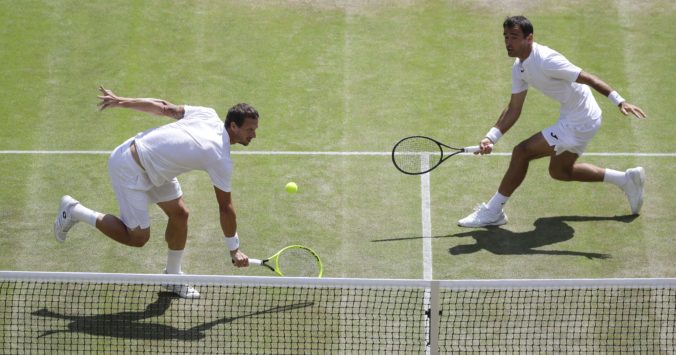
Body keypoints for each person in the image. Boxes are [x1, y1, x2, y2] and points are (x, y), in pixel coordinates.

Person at [53, 87, 258, 298]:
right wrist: (234, 249)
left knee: (180, 215)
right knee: (138, 238)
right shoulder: (219, 156)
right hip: (130, 166)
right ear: (233, 126)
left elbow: (163, 107)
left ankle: (172, 277)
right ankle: (75, 210)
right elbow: (226, 208)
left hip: (156, 168)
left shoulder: (208, 114)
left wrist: (121, 101)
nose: (254, 135)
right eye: (250, 130)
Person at [458, 16, 647, 228]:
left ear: (529, 38)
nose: (508, 42)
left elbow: (589, 78)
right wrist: (490, 137)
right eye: (505, 37)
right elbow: (514, 108)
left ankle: (493, 211)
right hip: (576, 115)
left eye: (513, 37)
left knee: (522, 152)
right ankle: (625, 180)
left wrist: (619, 100)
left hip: (580, 120)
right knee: (560, 172)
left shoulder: (547, 60)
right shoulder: (518, 68)